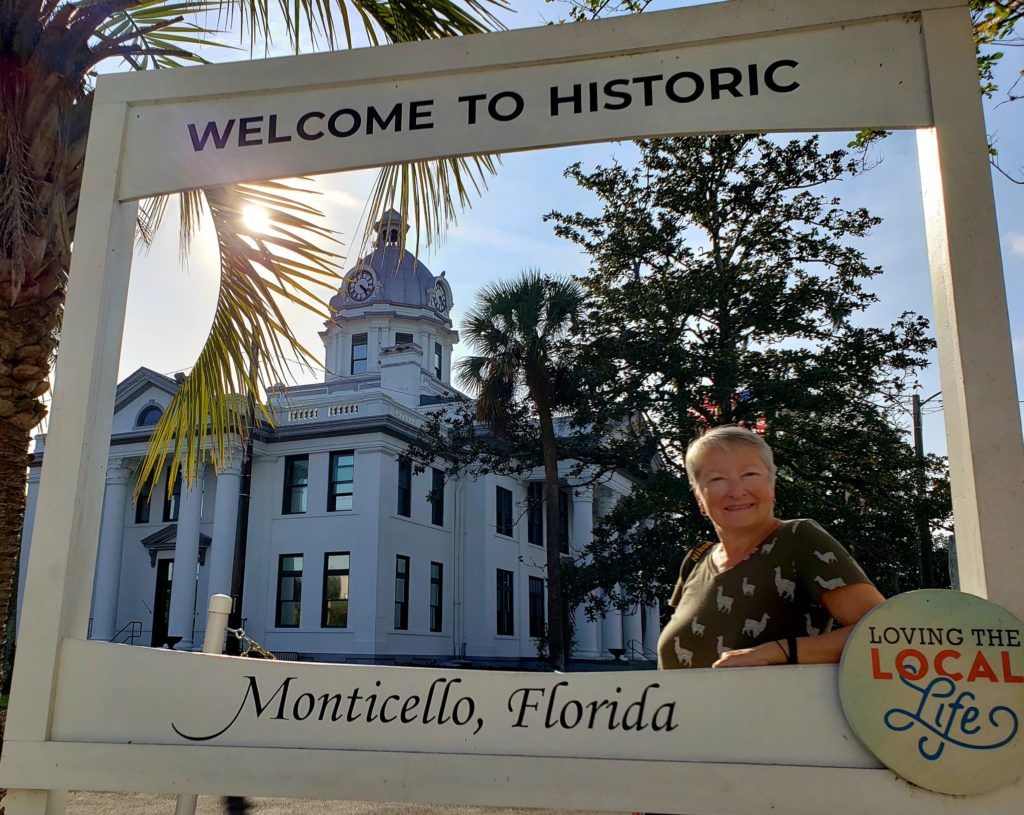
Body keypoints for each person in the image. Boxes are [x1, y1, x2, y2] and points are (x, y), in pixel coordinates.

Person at [657, 425, 885, 670]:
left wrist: (776, 652)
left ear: (772, 485)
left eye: (750, 475)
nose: (736, 491)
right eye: (717, 479)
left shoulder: (799, 539)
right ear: (699, 499)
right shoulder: (695, 560)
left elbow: (884, 634)